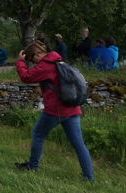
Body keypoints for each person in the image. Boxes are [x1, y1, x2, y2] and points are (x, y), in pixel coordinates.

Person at [15, 41, 94, 181]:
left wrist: (20, 62)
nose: (33, 63)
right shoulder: (59, 61)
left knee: (38, 134)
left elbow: (26, 77)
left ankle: (32, 166)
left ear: (37, 54)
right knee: (79, 144)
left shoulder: (46, 65)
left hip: (56, 109)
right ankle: (88, 177)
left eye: (32, 59)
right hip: (72, 107)